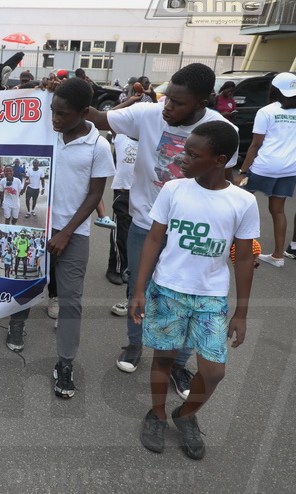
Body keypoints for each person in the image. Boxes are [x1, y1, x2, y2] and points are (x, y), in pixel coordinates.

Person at [81, 63, 238, 401]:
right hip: (144, 223)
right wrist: (67, 92)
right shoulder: (147, 113)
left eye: (178, 104)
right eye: (168, 99)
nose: (168, 107)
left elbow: (226, 184)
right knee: (140, 287)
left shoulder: (222, 130)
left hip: (190, 233)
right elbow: (99, 117)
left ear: (203, 102)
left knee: (187, 298)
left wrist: (239, 245)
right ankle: (135, 345)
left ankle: (179, 363)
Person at [132, 121, 258, 460]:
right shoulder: (174, 190)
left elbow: (244, 258)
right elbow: (155, 239)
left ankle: (185, 414)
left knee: (214, 370)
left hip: (211, 297)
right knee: (163, 357)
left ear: (219, 160)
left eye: (191, 153)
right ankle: (157, 413)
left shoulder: (243, 202)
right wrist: (139, 288)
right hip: (168, 289)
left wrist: (241, 311)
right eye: (183, 150)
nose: (181, 157)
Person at [7, 78, 115, 395]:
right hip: (36, 228)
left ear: (84, 112)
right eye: (53, 111)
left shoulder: (99, 146)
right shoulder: (43, 133)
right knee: (25, 280)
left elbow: (96, 195)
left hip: (74, 233)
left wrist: (67, 232)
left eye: (63, 114)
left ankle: (65, 364)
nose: (55, 119)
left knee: (71, 301)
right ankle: (16, 324)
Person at [234, 72, 296, 267]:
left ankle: (227, 245)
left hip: (262, 167)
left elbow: (255, 145)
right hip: (289, 169)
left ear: (274, 89)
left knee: (237, 200)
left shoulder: (266, 111)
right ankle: (278, 256)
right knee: (278, 211)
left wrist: (242, 172)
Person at [105, 131, 137, 286]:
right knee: (120, 233)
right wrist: (131, 104)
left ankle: (127, 268)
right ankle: (115, 268)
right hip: (123, 193)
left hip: (142, 194)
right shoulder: (121, 137)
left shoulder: (150, 138)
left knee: (136, 234)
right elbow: (112, 113)